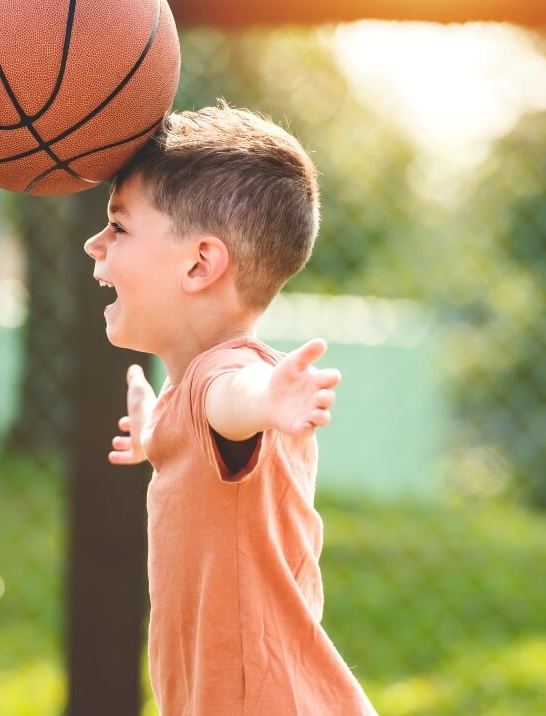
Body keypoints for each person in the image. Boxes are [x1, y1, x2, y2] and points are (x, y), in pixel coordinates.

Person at [83, 104, 376, 715]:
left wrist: (266, 397)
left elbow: (230, 399)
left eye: (119, 227)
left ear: (200, 264)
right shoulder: (190, 393)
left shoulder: (227, 375)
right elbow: (205, 423)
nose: (94, 243)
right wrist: (151, 433)